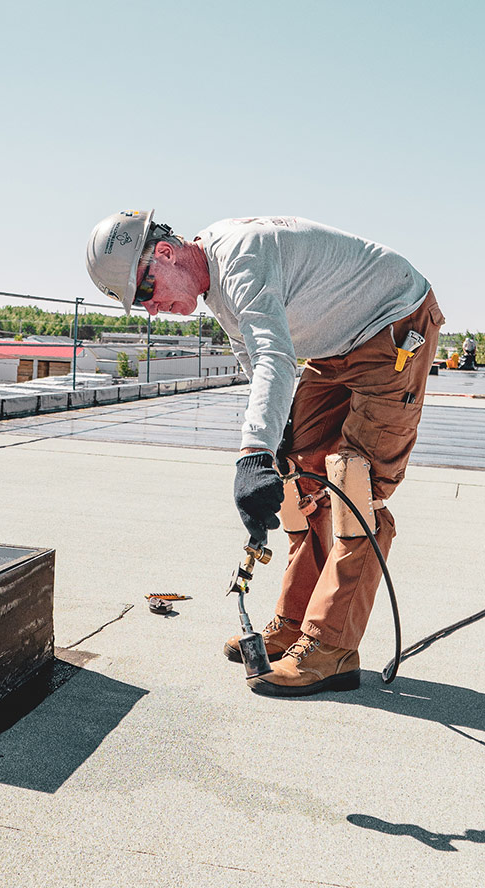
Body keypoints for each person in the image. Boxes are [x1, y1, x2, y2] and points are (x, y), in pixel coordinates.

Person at [86, 211, 444, 697]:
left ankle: (333, 650)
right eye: (139, 305)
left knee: (359, 488)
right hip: (338, 344)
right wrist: (269, 448)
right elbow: (255, 362)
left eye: (145, 292)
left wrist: (251, 454)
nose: (151, 310)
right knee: (297, 467)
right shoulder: (214, 286)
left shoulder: (242, 259)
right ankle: (296, 621)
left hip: (395, 326)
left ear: (165, 254)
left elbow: (276, 356)